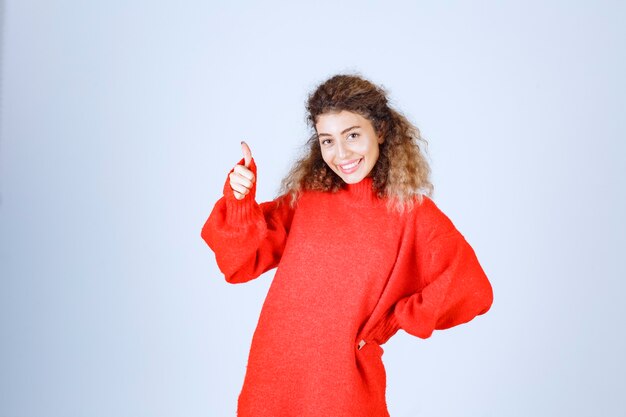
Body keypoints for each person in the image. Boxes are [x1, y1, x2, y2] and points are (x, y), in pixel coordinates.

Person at [201, 74, 493, 417]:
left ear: (380, 131)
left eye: (352, 135)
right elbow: (240, 262)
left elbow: (471, 287)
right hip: (273, 373)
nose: (341, 154)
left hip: (343, 384)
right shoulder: (307, 199)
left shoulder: (411, 213)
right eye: (327, 141)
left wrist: (394, 320)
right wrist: (239, 200)